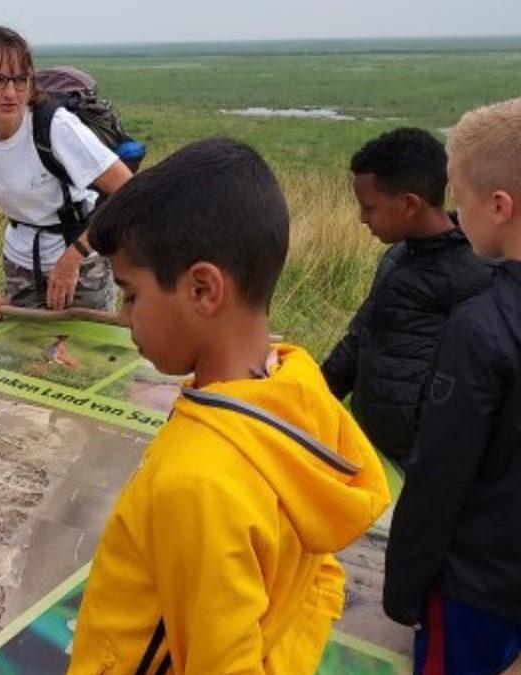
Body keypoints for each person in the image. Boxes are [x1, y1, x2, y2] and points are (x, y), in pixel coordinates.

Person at [68, 138, 390, 674]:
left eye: (131, 295)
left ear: (202, 289)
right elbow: (315, 576)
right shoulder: (295, 385)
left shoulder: (198, 484)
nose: (124, 317)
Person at [384, 96, 521, 675]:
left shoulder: (479, 327)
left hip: (476, 584)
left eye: (460, 196)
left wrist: (404, 589)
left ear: (499, 206)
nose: (454, 213)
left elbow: (439, 474)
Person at [322, 128, 492, 465]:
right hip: (373, 451)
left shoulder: (475, 275)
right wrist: (315, 395)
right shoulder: (397, 256)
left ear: (409, 204)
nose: (362, 219)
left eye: (369, 208)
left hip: (430, 462)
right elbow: (360, 337)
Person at [0, 26, 132, 321]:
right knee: (24, 347)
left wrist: (73, 258)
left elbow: (128, 190)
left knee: (86, 348)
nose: (10, 93)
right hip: (20, 264)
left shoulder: (57, 127)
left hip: (81, 265)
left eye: (20, 80)